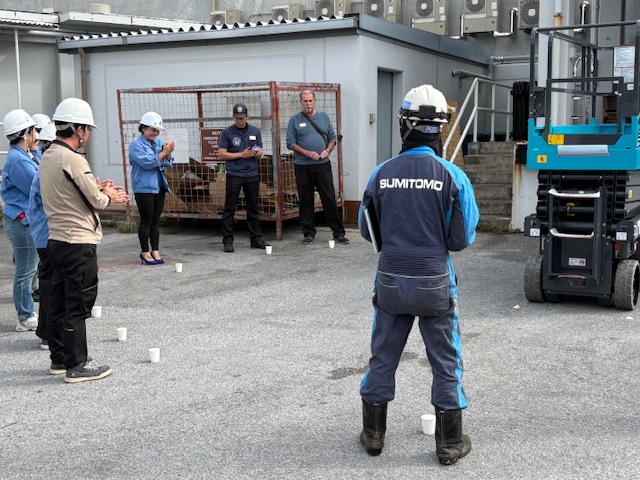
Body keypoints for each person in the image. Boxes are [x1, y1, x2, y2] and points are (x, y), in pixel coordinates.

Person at [357, 85, 479, 465]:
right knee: (446, 361)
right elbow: (461, 238)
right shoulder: (452, 176)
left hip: (390, 282)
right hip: (435, 283)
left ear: (403, 124)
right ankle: (449, 442)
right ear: (439, 128)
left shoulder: (381, 173)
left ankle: (374, 435)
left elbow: (367, 231)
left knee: (382, 356)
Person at [40, 97, 129, 382]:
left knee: (58, 302)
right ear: (78, 129)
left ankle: (59, 359)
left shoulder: (48, 155)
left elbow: (70, 191)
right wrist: (108, 194)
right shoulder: (74, 158)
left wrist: (97, 187)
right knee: (77, 304)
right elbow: (97, 201)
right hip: (77, 242)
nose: (88, 134)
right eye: (87, 129)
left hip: (56, 239)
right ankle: (77, 365)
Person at [286, 89, 348, 245]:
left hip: (322, 165)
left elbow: (332, 138)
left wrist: (327, 150)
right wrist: (306, 153)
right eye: (305, 101)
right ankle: (308, 233)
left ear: (315, 101)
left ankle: (338, 233)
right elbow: (290, 143)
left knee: (329, 198)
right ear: (301, 102)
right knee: (306, 199)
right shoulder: (294, 120)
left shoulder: (324, 117)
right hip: (303, 166)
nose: (308, 104)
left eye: (310, 101)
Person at [1, 109, 40, 332]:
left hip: (23, 220)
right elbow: (38, 188)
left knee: (28, 269)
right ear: (25, 133)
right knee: (25, 270)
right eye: (34, 130)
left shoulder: (23, 155)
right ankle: (25, 316)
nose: (37, 134)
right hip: (22, 222)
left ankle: (27, 312)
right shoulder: (19, 160)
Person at [218, 103, 268, 252]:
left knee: (253, 207)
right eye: (237, 118)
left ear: (247, 117)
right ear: (234, 118)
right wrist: (241, 154)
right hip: (235, 174)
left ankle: (255, 239)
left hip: (251, 174)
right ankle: (228, 241)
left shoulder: (255, 131)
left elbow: (260, 150)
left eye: (242, 118)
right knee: (230, 207)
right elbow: (222, 154)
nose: (240, 121)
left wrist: (257, 153)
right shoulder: (227, 132)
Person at [128, 111, 175, 265]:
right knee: (146, 220)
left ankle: (155, 250)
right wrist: (164, 153)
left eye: (157, 130)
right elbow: (148, 163)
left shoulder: (158, 142)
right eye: (152, 129)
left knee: (155, 221)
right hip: (144, 188)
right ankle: (145, 252)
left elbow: (168, 162)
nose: (155, 133)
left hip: (159, 186)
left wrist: (168, 154)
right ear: (143, 128)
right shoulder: (136, 145)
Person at [29, 123, 57, 351]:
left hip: (43, 234)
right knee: (51, 285)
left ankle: (46, 332)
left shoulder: (44, 167)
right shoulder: (47, 171)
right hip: (48, 235)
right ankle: (48, 334)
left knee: (49, 283)